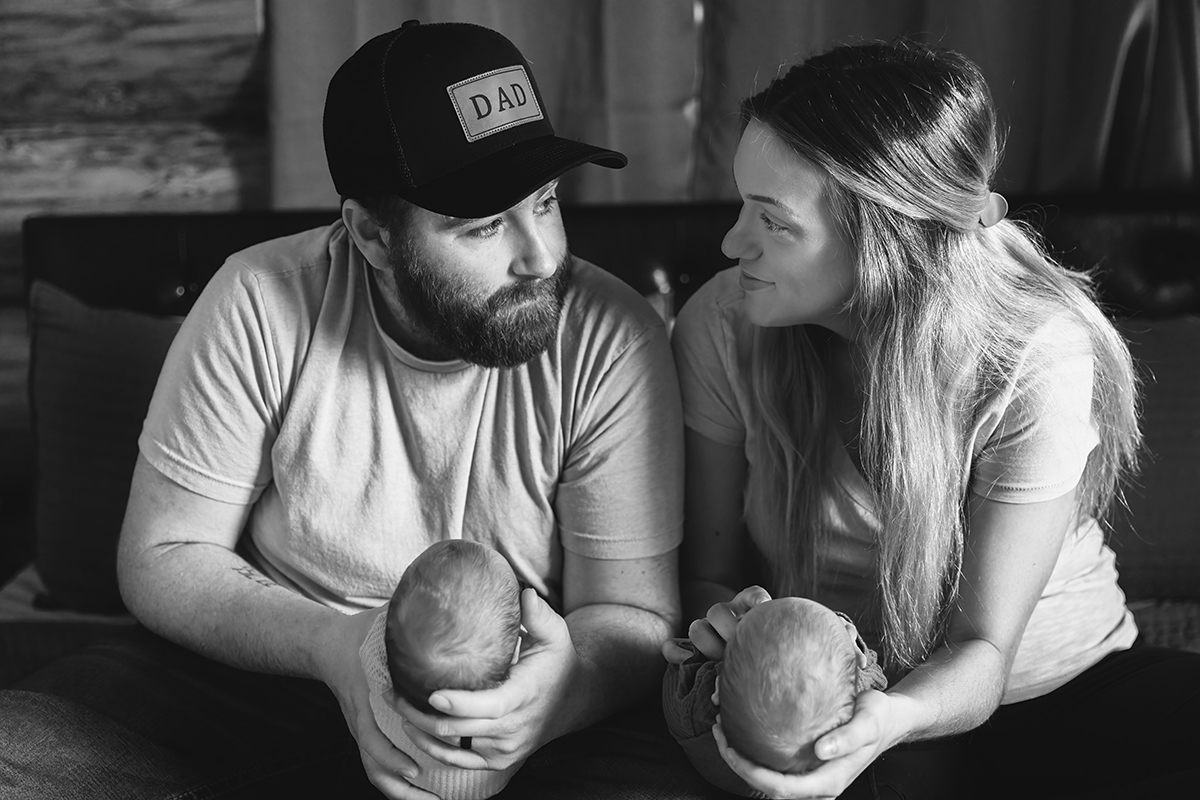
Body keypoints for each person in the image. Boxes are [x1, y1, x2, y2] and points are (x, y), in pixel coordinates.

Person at [0, 20, 705, 800]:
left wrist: (552, 698)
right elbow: (164, 555)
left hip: (518, 699)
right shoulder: (258, 300)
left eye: (543, 203)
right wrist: (339, 649)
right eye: (481, 226)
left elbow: (631, 613)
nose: (541, 255)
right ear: (371, 234)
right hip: (280, 670)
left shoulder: (613, 336)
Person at [664, 38, 1200, 800]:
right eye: (741, 205)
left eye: (774, 222)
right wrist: (728, 629)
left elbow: (985, 651)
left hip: (1061, 691)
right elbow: (709, 573)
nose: (731, 243)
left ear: (887, 241)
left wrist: (891, 721)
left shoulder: (1034, 355)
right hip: (835, 709)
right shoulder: (722, 324)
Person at [662, 591, 886, 796]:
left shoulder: (692, 709)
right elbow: (874, 677)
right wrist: (844, 637)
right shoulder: (857, 710)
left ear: (718, 687)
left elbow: (677, 671)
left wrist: (698, 654)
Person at [363, 539, 523, 800]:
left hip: (402, 770)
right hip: (489, 784)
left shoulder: (379, 660)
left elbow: (371, 648)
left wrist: (385, 621)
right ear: (517, 652)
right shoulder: (510, 697)